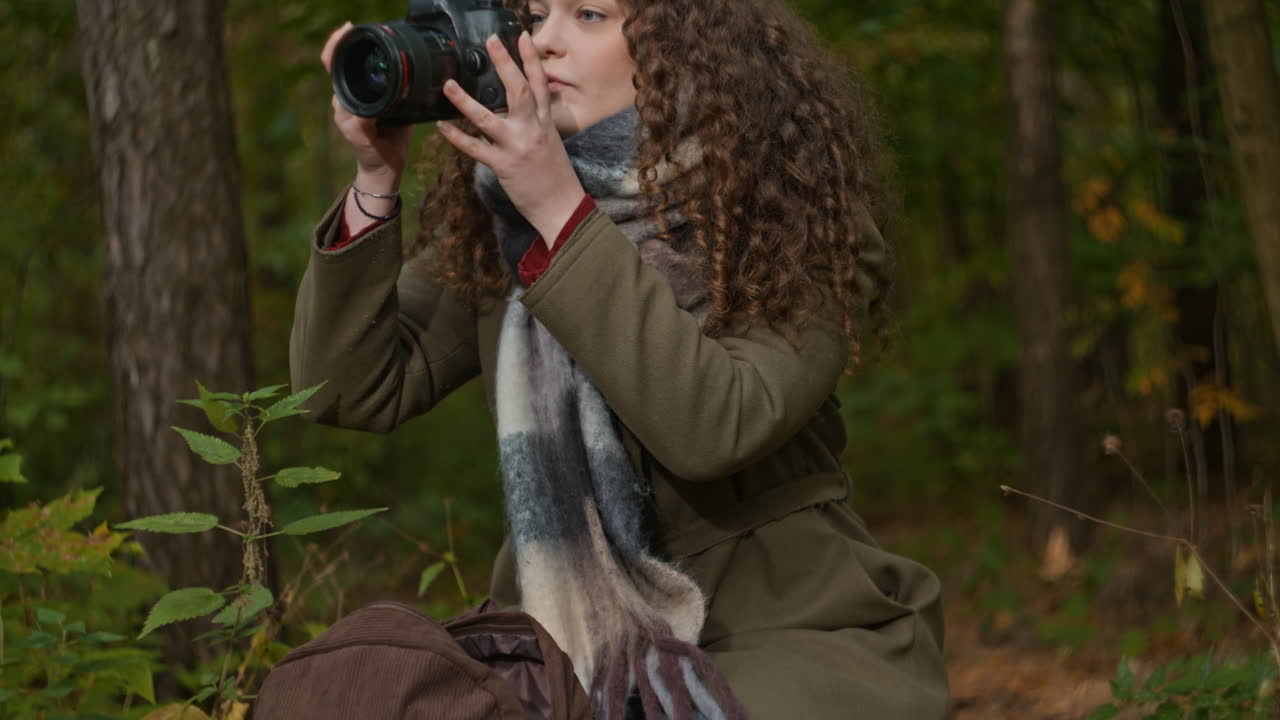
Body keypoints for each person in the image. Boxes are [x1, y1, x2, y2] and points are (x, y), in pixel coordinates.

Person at [291, 0, 949, 716]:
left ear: (686, 49)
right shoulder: (504, 217)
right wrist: (375, 180)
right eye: (536, 15)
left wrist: (561, 216)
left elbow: (717, 427)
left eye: (589, 16)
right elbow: (349, 390)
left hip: (784, 623)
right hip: (564, 635)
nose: (543, 42)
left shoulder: (791, 212)